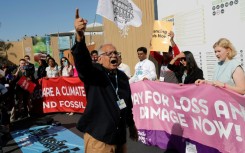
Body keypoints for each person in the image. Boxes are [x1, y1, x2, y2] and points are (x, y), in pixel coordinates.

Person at [72, 9, 138, 153]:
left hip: (119, 137)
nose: (114, 55)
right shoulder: (94, 72)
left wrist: (131, 125)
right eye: (109, 53)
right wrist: (79, 36)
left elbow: (127, 104)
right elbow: (82, 62)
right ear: (100, 58)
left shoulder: (121, 76)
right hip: (99, 138)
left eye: (116, 53)